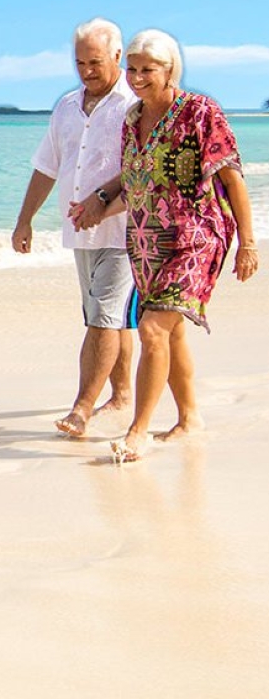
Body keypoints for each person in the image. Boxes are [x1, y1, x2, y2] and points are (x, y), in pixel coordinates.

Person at [111, 29, 258, 463]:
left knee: (153, 329)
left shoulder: (199, 111)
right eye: (132, 69)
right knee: (170, 335)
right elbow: (133, 181)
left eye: (147, 70)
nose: (137, 77)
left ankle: (137, 431)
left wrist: (248, 243)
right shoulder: (131, 119)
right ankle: (190, 417)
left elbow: (231, 176)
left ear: (170, 69)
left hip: (197, 236)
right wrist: (98, 206)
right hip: (146, 243)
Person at [12, 17, 139, 438]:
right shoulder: (66, 105)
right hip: (81, 234)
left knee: (102, 315)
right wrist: (24, 219)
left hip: (126, 231)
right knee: (109, 316)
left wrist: (101, 203)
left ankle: (82, 408)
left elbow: (141, 170)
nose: (86, 70)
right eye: (80, 62)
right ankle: (121, 395)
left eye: (95, 62)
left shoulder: (134, 105)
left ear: (118, 57)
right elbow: (47, 166)